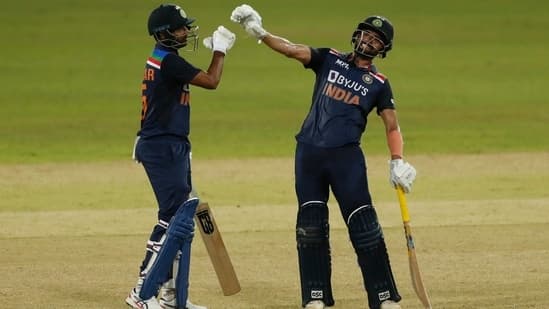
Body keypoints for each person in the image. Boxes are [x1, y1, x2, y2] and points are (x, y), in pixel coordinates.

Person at [230, 5, 417, 309]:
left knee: (364, 227)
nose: (368, 42)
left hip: (346, 160)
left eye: (376, 40)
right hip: (309, 154)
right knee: (311, 225)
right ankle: (315, 297)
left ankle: (384, 297)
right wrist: (262, 34)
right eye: (366, 35)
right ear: (356, 35)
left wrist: (397, 159)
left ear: (384, 49)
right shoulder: (329, 59)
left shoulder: (379, 84)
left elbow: (392, 125)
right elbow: (292, 50)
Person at [125, 4, 236, 309]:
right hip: (162, 146)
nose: (186, 32)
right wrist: (221, 51)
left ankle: (171, 296)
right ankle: (141, 292)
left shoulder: (163, 58)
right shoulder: (169, 62)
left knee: (180, 219)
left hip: (168, 144)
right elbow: (212, 81)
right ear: (164, 33)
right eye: (180, 28)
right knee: (172, 219)